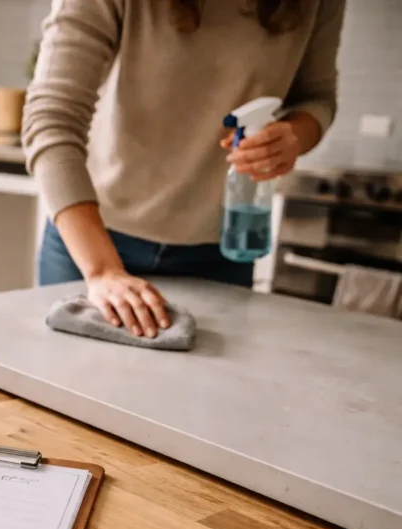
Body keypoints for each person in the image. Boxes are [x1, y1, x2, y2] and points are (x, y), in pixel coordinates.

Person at [23, 0, 344, 338]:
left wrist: (295, 135)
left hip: (220, 251)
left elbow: (317, 98)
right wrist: (102, 270)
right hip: (92, 242)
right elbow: (51, 118)